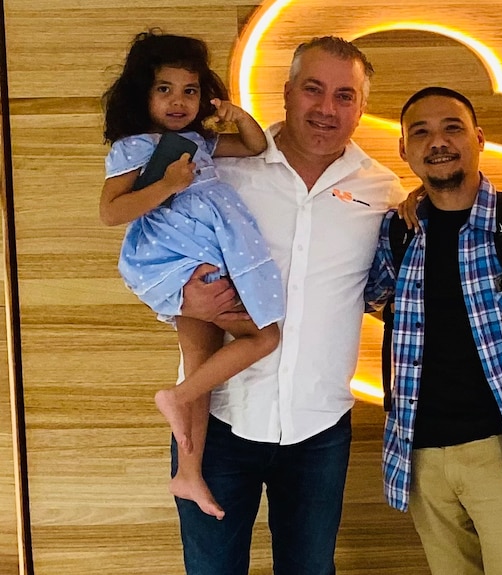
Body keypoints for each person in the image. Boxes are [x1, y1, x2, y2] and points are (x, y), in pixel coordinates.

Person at [174, 36, 404, 575]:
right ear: (286, 93)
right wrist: (182, 295)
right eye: (313, 89)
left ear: (361, 108)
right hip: (220, 420)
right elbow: (159, 254)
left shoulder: (382, 191)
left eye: (344, 95)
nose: (326, 109)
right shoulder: (222, 170)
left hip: (319, 431)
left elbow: (397, 289)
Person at [364, 86, 502, 575]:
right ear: (403, 150)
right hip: (420, 455)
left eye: (452, 128)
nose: (437, 141)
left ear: (479, 139)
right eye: (421, 132)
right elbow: (366, 295)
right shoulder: (399, 232)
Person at [100, 31, 284, 521]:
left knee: (201, 366)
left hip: (205, 256)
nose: (179, 101)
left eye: (190, 90)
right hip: (185, 264)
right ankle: (176, 398)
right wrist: (166, 184)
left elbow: (254, 146)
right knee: (263, 337)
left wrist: (237, 115)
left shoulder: (198, 142)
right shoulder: (133, 147)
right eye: (165, 89)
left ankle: (188, 471)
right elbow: (111, 213)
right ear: (143, 93)